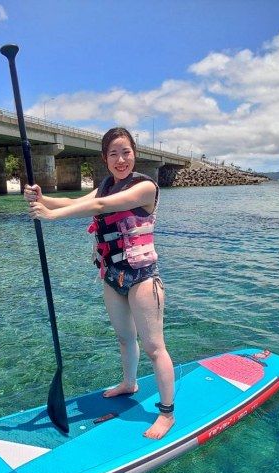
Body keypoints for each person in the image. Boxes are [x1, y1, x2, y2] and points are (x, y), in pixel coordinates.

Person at [24, 127, 176, 440]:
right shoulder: (106, 185)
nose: (121, 159)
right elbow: (75, 200)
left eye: (126, 152)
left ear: (135, 153)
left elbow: (100, 208)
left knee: (154, 347)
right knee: (124, 338)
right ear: (105, 159)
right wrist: (44, 200)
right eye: (113, 154)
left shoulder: (146, 187)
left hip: (142, 276)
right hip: (112, 274)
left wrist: (51, 218)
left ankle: (166, 413)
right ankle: (129, 383)